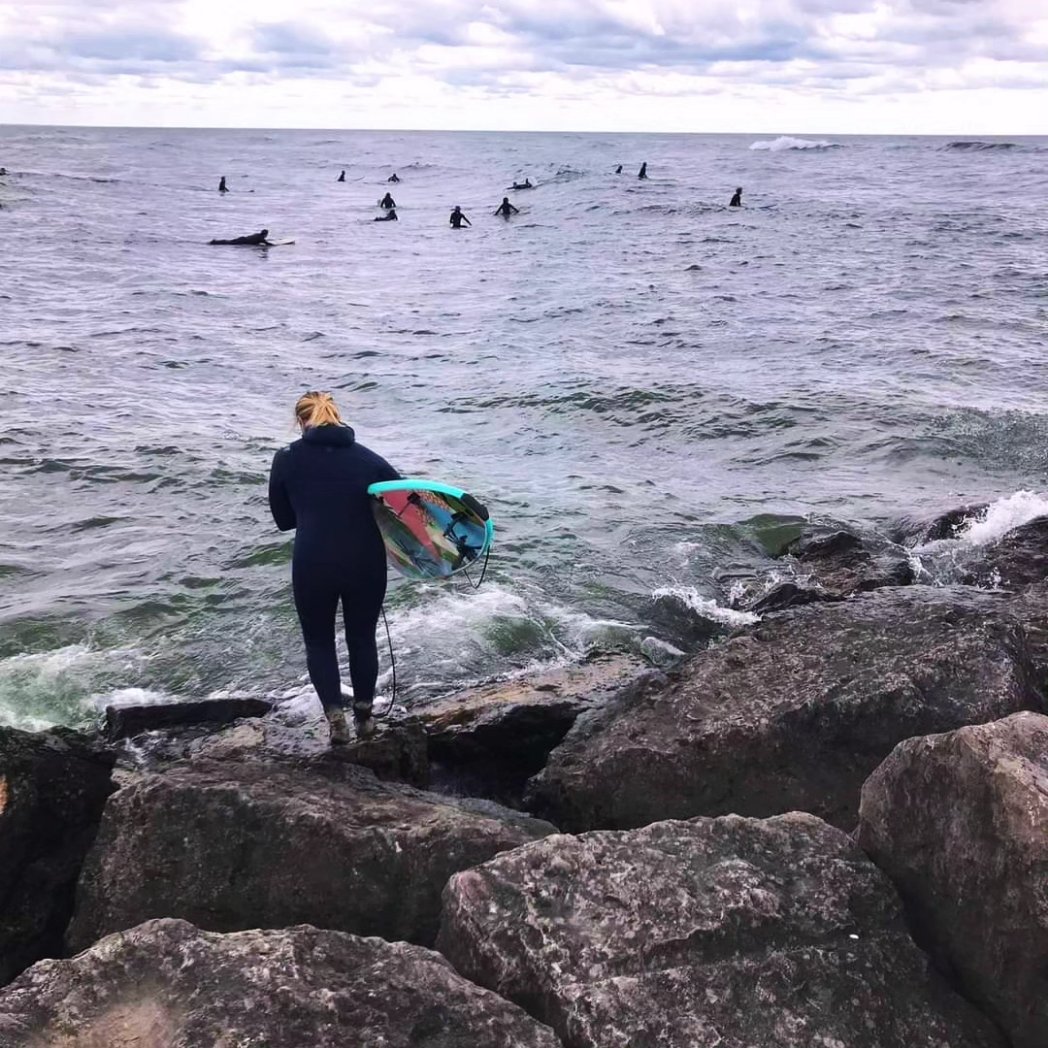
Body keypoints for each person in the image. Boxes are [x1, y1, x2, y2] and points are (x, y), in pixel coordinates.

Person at [268, 391, 399, 744]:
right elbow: (401, 510)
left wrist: (315, 510)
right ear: (337, 417)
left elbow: (283, 520)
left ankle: (335, 721)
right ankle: (366, 719)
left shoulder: (286, 459)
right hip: (365, 562)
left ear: (300, 421)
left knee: (319, 641)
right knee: (362, 637)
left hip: (314, 561)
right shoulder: (371, 461)